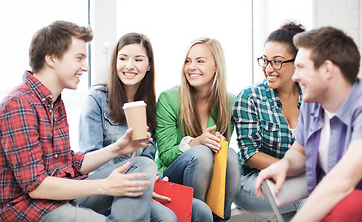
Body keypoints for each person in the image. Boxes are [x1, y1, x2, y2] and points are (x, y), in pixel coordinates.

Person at [0, 21, 158, 222]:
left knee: (142, 165)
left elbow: (70, 162)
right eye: (79, 58)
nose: (86, 66)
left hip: (62, 196)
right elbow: (36, 186)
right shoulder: (19, 104)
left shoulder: (54, 102)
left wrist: (118, 148)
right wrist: (106, 185)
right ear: (52, 59)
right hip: (33, 209)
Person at [78, 32, 210, 222]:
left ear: (148, 65)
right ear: (115, 62)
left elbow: (148, 157)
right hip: (109, 187)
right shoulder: (96, 98)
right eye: (123, 58)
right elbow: (92, 159)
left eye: (138, 59)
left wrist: (153, 179)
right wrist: (139, 185)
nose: (129, 66)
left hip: (142, 183)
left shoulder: (149, 105)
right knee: (167, 218)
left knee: (201, 211)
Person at [255, 26, 362, 221]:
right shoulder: (312, 103)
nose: (295, 77)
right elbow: (300, 151)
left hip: (351, 205)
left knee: (353, 203)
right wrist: (285, 165)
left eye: (301, 68)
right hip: (334, 203)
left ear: (327, 69)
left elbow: (343, 182)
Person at [155, 37, 241, 221]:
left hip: (208, 179)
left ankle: (220, 219)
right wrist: (196, 142)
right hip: (171, 178)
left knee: (231, 156)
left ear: (217, 66)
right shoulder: (168, 99)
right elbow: (165, 156)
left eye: (200, 61)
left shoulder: (230, 102)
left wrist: (219, 142)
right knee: (201, 153)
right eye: (188, 61)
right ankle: (195, 217)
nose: (191, 67)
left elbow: (222, 161)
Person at [233, 22, 305, 218]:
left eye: (277, 61)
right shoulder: (250, 97)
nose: (268, 68)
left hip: (299, 179)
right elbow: (250, 154)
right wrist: (292, 168)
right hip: (254, 182)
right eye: (265, 60)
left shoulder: (310, 96)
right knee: (311, 192)